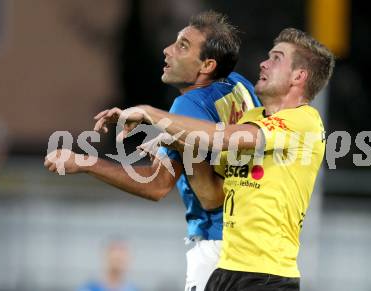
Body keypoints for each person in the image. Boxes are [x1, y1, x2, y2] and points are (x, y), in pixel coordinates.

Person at [92, 27, 335, 290]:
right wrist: (171, 139)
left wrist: (152, 114)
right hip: (226, 270)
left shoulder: (305, 122)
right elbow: (213, 177)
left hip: (267, 276)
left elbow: (227, 138)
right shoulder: (253, 117)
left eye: (276, 58)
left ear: (299, 76)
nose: (264, 63)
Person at [45, 11, 260, 291]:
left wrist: (84, 162)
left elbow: (156, 186)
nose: (167, 50)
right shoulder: (240, 84)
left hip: (216, 244)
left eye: (183, 46)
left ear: (207, 65)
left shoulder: (187, 105)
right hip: (255, 239)